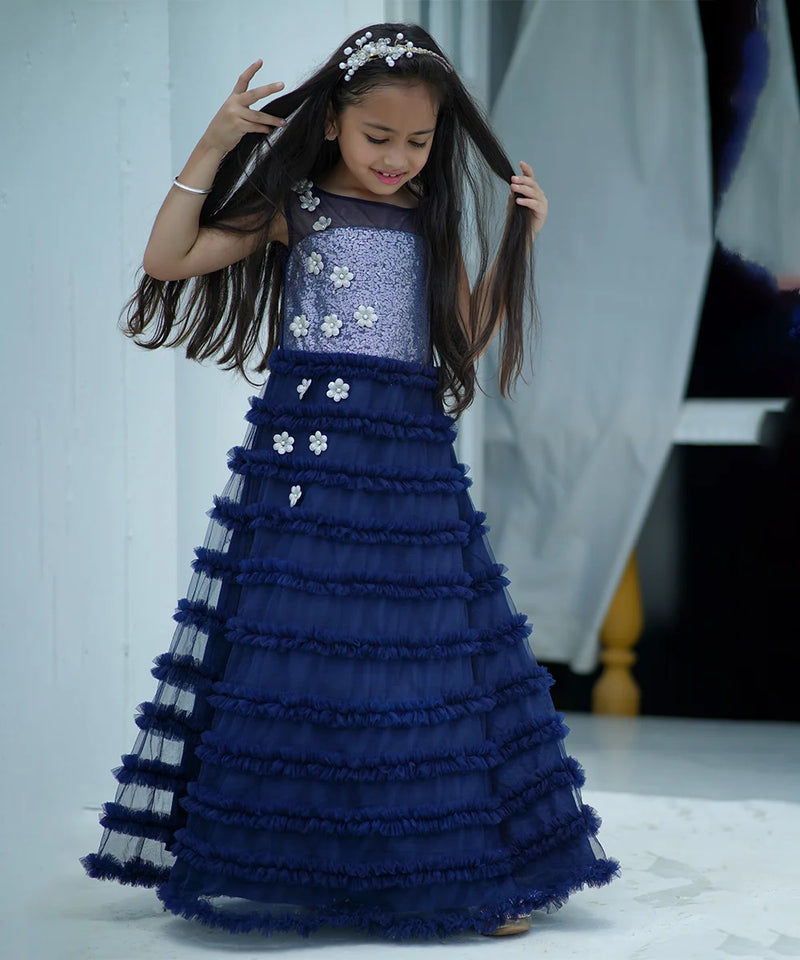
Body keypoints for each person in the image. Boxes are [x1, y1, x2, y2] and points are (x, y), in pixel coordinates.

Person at [81, 21, 619, 941]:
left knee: (426, 654)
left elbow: (457, 342)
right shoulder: (297, 207)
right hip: (311, 456)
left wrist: (517, 246)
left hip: (407, 460)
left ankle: (449, 867)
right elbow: (169, 259)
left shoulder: (427, 216)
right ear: (332, 121)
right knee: (310, 646)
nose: (398, 160)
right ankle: (315, 858)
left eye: (420, 143)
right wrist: (214, 145)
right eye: (380, 138)